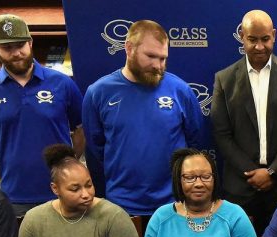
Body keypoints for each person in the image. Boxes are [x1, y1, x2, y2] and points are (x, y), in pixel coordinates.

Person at [82, 20, 207, 216]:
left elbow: (196, 143)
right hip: (121, 207)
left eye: (163, 58)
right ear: (129, 48)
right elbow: (95, 151)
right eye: (150, 56)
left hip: (175, 204)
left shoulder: (180, 90)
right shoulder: (98, 93)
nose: (158, 66)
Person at [0, 14, 84, 217]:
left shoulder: (62, 83)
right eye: (7, 48)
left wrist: (67, 160)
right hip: (15, 192)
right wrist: (10, 153)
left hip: (63, 189)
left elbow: (80, 128)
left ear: (30, 42)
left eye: (20, 45)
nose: (16, 53)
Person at [211, 10, 277, 236]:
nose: (259, 47)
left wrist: (272, 172)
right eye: (252, 39)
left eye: (265, 39)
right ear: (241, 37)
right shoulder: (224, 79)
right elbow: (221, 134)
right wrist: (252, 173)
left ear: (274, 35)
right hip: (240, 188)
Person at [15, 144, 141, 237]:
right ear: (55, 189)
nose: (86, 194)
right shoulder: (34, 219)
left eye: (89, 185)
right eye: (75, 189)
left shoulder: (114, 216)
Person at [140, 148, 258, 237]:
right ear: (178, 180)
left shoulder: (234, 215)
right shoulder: (161, 217)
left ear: (215, 179)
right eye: (190, 177)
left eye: (206, 177)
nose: (199, 184)